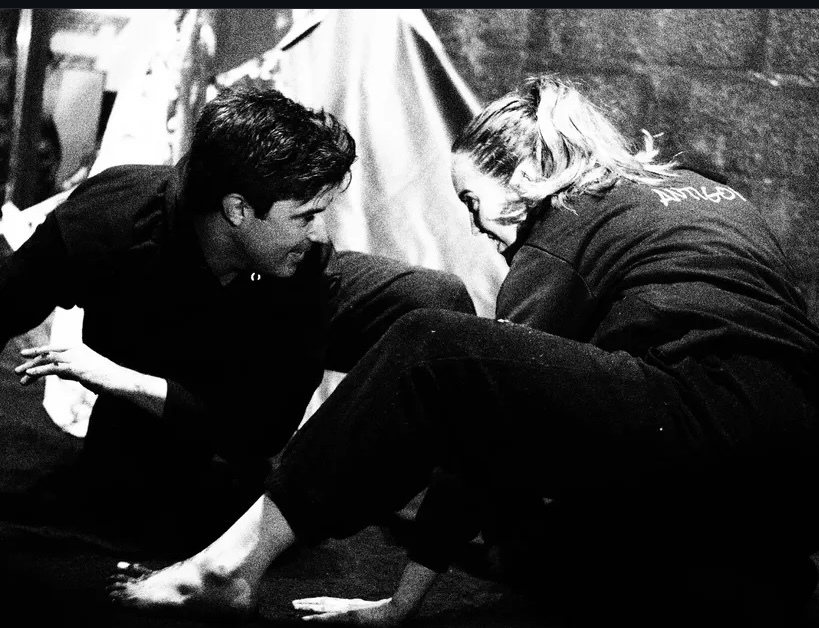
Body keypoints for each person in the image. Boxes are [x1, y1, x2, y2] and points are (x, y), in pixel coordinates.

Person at [107, 74, 819, 626]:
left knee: (432, 344)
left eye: (474, 201)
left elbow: (480, 434)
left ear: (528, 175)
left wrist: (402, 603)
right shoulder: (700, 193)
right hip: (792, 468)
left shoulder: (561, 232)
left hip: (698, 420)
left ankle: (228, 566)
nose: (478, 226)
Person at [0, 85, 476, 551]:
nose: (320, 232)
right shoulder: (111, 218)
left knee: (433, 302)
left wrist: (120, 378)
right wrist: (135, 388)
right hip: (159, 394)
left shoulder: (304, 263)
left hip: (242, 354)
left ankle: (433, 518)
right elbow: (6, 303)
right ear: (238, 209)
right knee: (145, 511)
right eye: (305, 216)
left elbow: (264, 429)